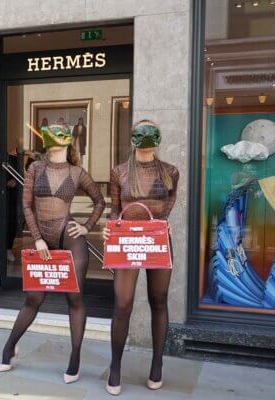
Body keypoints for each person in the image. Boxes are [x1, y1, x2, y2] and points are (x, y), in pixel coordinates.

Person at [0, 123, 106, 384]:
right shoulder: (35, 167)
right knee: (33, 298)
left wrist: (87, 226)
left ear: (68, 141)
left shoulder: (77, 171)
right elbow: (26, 204)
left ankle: (75, 358)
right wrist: (37, 239)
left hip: (68, 234)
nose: (55, 139)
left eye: (60, 134)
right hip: (41, 235)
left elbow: (99, 201)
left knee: (74, 298)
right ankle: (9, 347)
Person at [103, 119, 179, 395]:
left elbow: (168, 205)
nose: (146, 137)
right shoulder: (120, 172)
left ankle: (157, 364)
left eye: (151, 132)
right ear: (133, 137)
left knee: (158, 300)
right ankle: (115, 366)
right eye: (140, 132)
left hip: (157, 240)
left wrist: (164, 222)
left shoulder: (171, 171)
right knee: (122, 303)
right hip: (127, 241)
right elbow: (114, 209)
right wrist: (110, 229)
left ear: (158, 139)